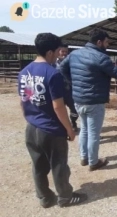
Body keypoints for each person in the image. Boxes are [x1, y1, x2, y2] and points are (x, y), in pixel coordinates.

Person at [59, 28, 117, 171]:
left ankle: (84, 158)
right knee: (93, 133)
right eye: (106, 42)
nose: (107, 45)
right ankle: (93, 162)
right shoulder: (100, 57)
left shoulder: (74, 54)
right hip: (94, 100)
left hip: (78, 99)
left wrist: (74, 83)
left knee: (84, 129)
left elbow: (61, 69)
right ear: (99, 42)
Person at [18, 33, 87, 208]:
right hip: (51, 129)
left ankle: (45, 198)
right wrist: (69, 129)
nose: (58, 55)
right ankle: (65, 197)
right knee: (58, 165)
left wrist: (29, 118)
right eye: (57, 51)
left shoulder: (24, 72)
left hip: (32, 127)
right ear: (50, 52)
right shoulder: (53, 74)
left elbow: (24, 100)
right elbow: (58, 106)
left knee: (38, 165)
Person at [54, 44, 79, 132]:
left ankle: (73, 122)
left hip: (70, 90)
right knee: (59, 109)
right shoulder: (53, 63)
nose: (64, 53)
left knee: (74, 110)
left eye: (66, 52)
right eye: (62, 51)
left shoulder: (72, 62)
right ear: (58, 51)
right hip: (58, 90)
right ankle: (62, 125)